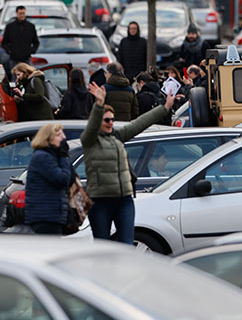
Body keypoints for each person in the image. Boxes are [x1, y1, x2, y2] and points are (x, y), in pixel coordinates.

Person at [81, 82, 178, 245]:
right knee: (102, 245)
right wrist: (99, 104)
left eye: (112, 119)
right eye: (106, 120)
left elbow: (140, 123)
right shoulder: (90, 140)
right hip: (100, 200)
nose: (110, 122)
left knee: (126, 244)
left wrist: (165, 107)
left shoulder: (116, 136)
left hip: (124, 199)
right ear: (97, 120)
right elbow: (91, 128)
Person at [24, 123, 72, 235]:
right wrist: (64, 156)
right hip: (45, 216)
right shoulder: (43, 157)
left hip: (51, 214)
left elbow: (70, 178)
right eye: (59, 135)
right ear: (48, 139)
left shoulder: (51, 155)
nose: (64, 137)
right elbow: (62, 179)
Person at [1, 6, 39, 75]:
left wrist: (32, 51)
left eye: (23, 13)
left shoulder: (30, 26)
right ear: (17, 14)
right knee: (15, 77)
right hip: (14, 58)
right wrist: (10, 51)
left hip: (26, 58)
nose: (22, 15)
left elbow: (36, 42)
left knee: (28, 76)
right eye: (20, 13)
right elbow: (4, 42)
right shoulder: (10, 27)